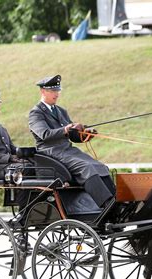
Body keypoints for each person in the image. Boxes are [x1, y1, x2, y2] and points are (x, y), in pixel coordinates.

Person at [28, 75, 115, 208]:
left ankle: (116, 199)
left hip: (68, 151)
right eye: (53, 91)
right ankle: (106, 204)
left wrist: (85, 133)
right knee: (86, 167)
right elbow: (45, 134)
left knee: (99, 166)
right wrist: (65, 129)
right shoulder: (36, 113)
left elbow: (71, 135)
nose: (56, 94)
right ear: (43, 91)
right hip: (51, 153)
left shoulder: (61, 111)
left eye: (57, 91)